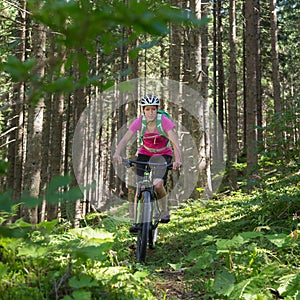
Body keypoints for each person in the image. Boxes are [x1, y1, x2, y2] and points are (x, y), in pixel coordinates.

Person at [113, 94, 182, 233]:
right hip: (145, 153)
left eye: (153, 109)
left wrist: (177, 159)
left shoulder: (164, 121)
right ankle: (137, 221)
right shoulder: (140, 121)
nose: (150, 112)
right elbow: (125, 139)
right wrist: (117, 153)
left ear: (157, 110)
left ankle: (164, 210)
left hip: (163, 154)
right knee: (140, 185)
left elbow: (174, 142)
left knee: (157, 184)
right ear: (143, 110)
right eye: (147, 109)